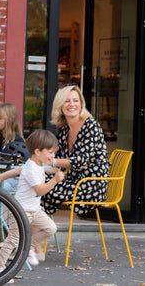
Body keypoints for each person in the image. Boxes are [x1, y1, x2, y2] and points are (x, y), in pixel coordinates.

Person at [0, 130, 64, 280]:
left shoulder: (35, 164)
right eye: (50, 152)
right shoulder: (32, 169)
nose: (53, 156)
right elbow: (41, 190)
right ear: (37, 152)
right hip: (21, 211)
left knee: (51, 228)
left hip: (35, 210)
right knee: (12, 241)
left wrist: (1, 176)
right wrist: (55, 179)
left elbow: (18, 169)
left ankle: (27, 246)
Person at [40, 85, 110, 217]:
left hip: (91, 185)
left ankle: (26, 232)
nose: (71, 104)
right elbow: (58, 167)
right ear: (60, 106)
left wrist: (50, 160)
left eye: (75, 100)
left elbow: (79, 161)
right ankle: (27, 231)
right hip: (74, 181)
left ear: (81, 104)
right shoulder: (65, 131)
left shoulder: (91, 126)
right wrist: (36, 167)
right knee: (38, 180)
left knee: (42, 188)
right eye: (67, 101)